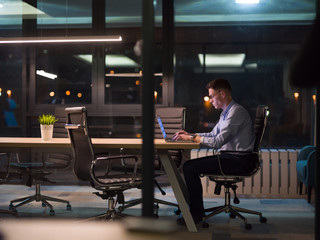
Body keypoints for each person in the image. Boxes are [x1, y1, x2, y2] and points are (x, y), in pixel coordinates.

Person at [172, 78, 255, 225]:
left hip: (238, 160)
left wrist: (192, 138)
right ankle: (196, 210)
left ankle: (196, 214)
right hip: (231, 158)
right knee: (189, 166)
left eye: (211, 96)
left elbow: (217, 142)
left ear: (222, 93)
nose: (210, 100)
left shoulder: (236, 112)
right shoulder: (226, 113)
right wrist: (190, 135)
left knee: (189, 167)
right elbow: (212, 134)